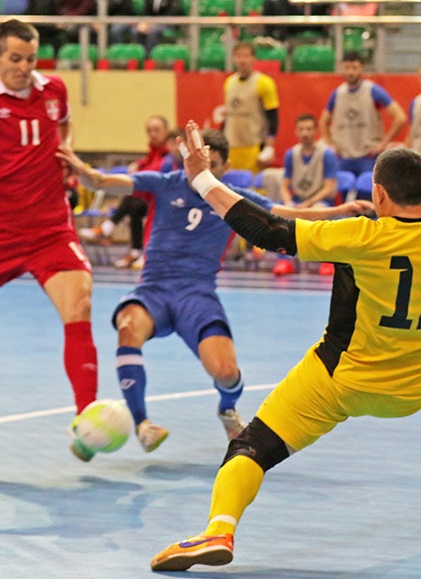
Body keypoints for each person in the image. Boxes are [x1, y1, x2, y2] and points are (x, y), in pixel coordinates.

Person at [148, 122, 421, 572]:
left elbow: (269, 231)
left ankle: (219, 530)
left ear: (379, 195)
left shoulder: (361, 236)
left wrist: (202, 179)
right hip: (415, 385)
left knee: (252, 447)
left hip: (339, 381)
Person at [58, 129, 374, 461]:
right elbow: (101, 182)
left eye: (213, 165)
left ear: (224, 167)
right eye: (196, 163)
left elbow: (287, 214)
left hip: (197, 296)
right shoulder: (166, 183)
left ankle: (227, 410)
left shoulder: (232, 198)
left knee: (225, 372)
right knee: (128, 326)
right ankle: (143, 424)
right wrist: (78, 165)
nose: (201, 171)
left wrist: (343, 210)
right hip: (154, 289)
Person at [0, 19, 99, 434]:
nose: (24, 67)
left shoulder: (54, 90)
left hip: (50, 231)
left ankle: (88, 419)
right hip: (3, 231)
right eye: (14, 58)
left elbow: (66, 124)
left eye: (30, 58)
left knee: (80, 306)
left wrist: (67, 147)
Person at [79, 114, 170, 268]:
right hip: (150, 198)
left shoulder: (169, 152)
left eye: (156, 130)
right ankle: (135, 251)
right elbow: (148, 163)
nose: (153, 134)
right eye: (149, 131)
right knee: (134, 204)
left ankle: (110, 229)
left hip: (165, 199)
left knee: (134, 202)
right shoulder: (153, 150)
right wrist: (138, 163)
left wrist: (139, 169)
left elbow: (156, 170)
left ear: (166, 131)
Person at [273, 113, 341, 276]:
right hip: (298, 200)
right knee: (281, 215)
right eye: (302, 129)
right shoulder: (291, 154)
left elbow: (329, 187)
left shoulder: (327, 154)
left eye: (309, 129)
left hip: (321, 201)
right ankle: (285, 260)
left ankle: (327, 260)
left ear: (316, 131)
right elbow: (284, 184)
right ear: (296, 131)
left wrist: (308, 204)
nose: (305, 133)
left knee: (320, 214)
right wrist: (288, 202)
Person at [320, 51, 407, 176]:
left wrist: (383, 143)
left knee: (366, 191)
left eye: (354, 68)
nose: (350, 72)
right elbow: (323, 121)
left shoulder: (373, 91)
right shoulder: (337, 94)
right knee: (341, 190)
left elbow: (400, 117)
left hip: (367, 156)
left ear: (362, 69)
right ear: (342, 69)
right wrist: (330, 144)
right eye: (347, 68)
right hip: (343, 156)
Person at [223, 42, 279, 173]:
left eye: (246, 56)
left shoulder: (264, 83)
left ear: (253, 58)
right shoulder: (229, 83)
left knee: (253, 187)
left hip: (253, 145)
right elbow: (228, 116)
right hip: (232, 145)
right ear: (233, 58)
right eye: (239, 56)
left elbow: (273, 117)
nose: (242, 60)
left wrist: (269, 147)